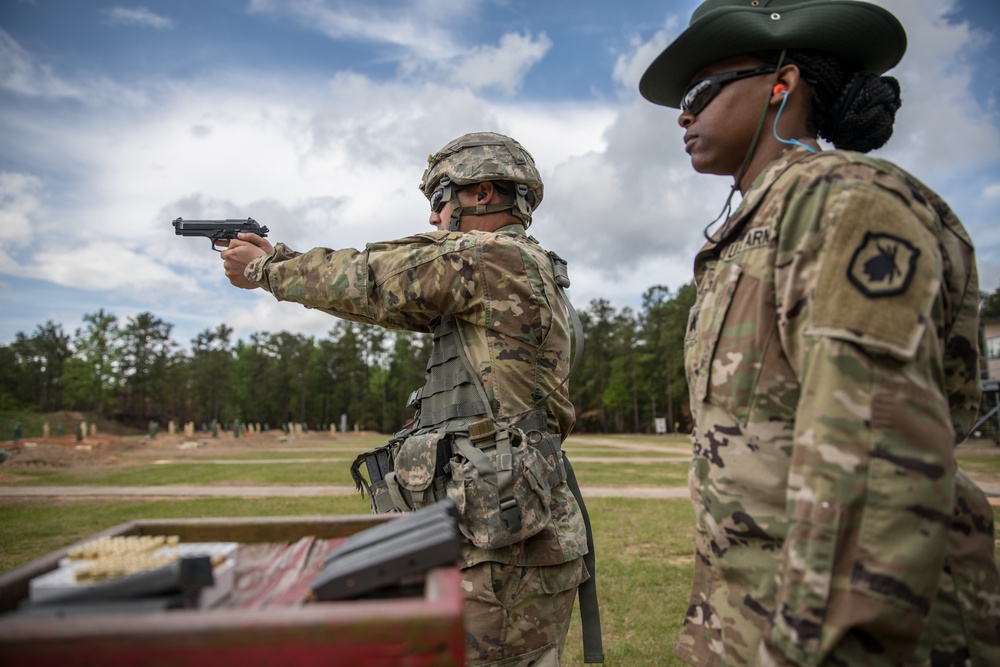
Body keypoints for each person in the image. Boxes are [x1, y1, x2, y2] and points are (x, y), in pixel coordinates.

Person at [639, 1, 1000, 665]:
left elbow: (872, 469)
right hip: (747, 625)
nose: (683, 116)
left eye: (697, 91)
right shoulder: (755, 227)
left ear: (784, 82)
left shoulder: (841, 201)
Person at [220, 132, 598, 666]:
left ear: (482, 193)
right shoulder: (513, 268)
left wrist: (268, 269)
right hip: (508, 540)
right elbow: (388, 302)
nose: (433, 218)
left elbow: (374, 279)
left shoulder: (490, 259)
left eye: (438, 199)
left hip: (504, 553)